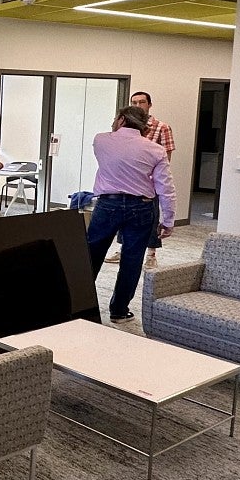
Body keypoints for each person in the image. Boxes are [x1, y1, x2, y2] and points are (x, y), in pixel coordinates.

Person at [87, 105, 176, 322]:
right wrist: (168, 220)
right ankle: (119, 311)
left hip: (107, 204)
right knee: (132, 259)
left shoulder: (101, 140)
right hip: (141, 206)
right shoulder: (155, 150)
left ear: (121, 119)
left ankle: (80, 306)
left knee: (91, 255)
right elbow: (166, 188)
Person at [105, 90, 176, 268]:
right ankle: (122, 249)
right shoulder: (124, 127)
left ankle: (151, 254)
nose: (138, 106)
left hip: (149, 183)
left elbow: (166, 156)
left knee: (151, 219)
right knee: (124, 218)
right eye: (134, 102)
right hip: (126, 183)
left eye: (141, 102)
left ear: (149, 104)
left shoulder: (161, 127)